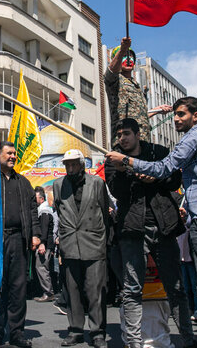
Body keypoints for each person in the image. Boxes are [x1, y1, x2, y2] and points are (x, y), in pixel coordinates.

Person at [112, 97, 197, 348]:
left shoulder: (190, 139)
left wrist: (128, 163)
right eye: (175, 115)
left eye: (181, 114)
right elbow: (118, 189)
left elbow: (166, 170)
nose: (176, 119)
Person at [105, 118, 197, 348]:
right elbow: (117, 192)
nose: (122, 139)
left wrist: (155, 174)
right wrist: (129, 171)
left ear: (138, 135)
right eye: (119, 135)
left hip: (164, 226)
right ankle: (134, 343)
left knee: (176, 288)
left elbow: (175, 180)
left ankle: (188, 340)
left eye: (127, 133)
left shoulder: (158, 152)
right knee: (132, 288)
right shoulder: (113, 159)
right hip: (132, 229)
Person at [0, 142, 40, 348]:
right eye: (9, 153)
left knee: (18, 288)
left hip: (19, 240)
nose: (13, 156)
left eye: (14, 153)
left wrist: (35, 235)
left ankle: (17, 333)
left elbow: (33, 210)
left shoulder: (24, 183)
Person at [53, 149, 109, 348]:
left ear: (82, 164)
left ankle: (97, 332)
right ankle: (75, 330)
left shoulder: (97, 183)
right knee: (72, 291)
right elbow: (59, 212)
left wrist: (103, 241)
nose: (70, 168)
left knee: (96, 291)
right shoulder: (58, 185)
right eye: (67, 164)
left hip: (93, 243)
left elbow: (105, 212)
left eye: (74, 163)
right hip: (70, 245)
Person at [104, 37, 171, 144]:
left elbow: (138, 115)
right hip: (125, 141)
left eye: (131, 57)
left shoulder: (136, 85)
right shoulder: (115, 80)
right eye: (125, 56)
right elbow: (111, 71)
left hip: (142, 140)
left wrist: (157, 109)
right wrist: (122, 49)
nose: (129, 60)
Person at [33, 187, 55, 303]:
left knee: (41, 267)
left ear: (41, 199)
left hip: (44, 245)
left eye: (35, 198)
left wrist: (42, 243)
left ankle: (48, 292)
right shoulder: (43, 210)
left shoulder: (44, 211)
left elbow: (44, 229)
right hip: (46, 244)